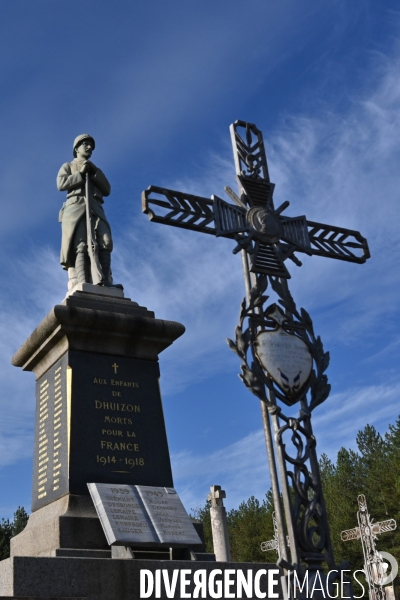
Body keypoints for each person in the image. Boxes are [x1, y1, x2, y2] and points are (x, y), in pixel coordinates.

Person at [57, 134, 122, 288]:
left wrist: (94, 172)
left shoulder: (95, 170)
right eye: (85, 144)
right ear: (77, 148)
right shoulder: (68, 166)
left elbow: (107, 189)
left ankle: (105, 281)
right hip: (76, 207)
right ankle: (82, 280)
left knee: (105, 241)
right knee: (80, 244)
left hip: (95, 208)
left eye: (91, 146)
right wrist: (79, 175)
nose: (89, 148)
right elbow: (61, 183)